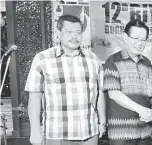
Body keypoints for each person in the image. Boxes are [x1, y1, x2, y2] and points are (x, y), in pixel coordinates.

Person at [25, 14, 106, 145]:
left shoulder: (93, 59)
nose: (74, 36)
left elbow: (100, 93)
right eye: (69, 32)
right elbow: (34, 97)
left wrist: (102, 122)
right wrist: (35, 131)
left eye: (78, 32)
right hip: (57, 133)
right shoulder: (43, 59)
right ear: (58, 33)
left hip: (89, 132)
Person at [103, 19, 152, 145]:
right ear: (125, 37)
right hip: (122, 133)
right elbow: (114, 94)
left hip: (144, 131)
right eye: (136, 38)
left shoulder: (147, 63)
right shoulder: (112, 61)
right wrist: (141, 110)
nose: (140, 43)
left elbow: (148, 92)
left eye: (143, 39)